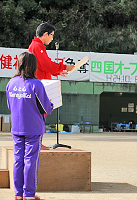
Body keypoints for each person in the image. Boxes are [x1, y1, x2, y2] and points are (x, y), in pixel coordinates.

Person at [6, 52, 53, 200]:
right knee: (30, 160)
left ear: (19, 65)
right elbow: (47, 108)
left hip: (16, 127)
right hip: (33, 128)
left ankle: (18, 193)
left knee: (18, 159)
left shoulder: (11, 83)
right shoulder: (36, 84)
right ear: (33, 66)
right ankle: (29, 194)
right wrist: (51, 104)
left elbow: (9, 105)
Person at [28, 22, 74, 150]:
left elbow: (44, 66)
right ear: (45, 34)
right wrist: (64, 66)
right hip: (40, 85)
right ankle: (37, 143)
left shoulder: (36, 46)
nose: (52, 38)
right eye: (52, 35)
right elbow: (46, 64)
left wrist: (59, 71)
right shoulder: (38, 46)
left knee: (40, 115)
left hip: (40, 84)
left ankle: (37, 142)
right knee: (40, 115)